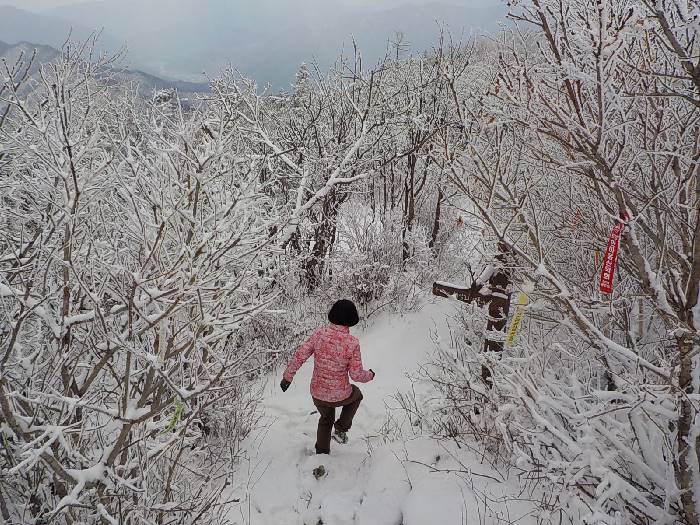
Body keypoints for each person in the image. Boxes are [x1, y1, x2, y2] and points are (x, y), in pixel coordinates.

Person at [280, 299, 375, 454]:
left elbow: (300, 355)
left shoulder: (319, 334)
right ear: (352, 319)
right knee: (356, 395)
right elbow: (356, 375)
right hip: (340, 395)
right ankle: (341, 429)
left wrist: (287, 377)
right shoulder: (352, 343)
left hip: (317, 393)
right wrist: (370, 375)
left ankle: (322, 454)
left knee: (326, 419)